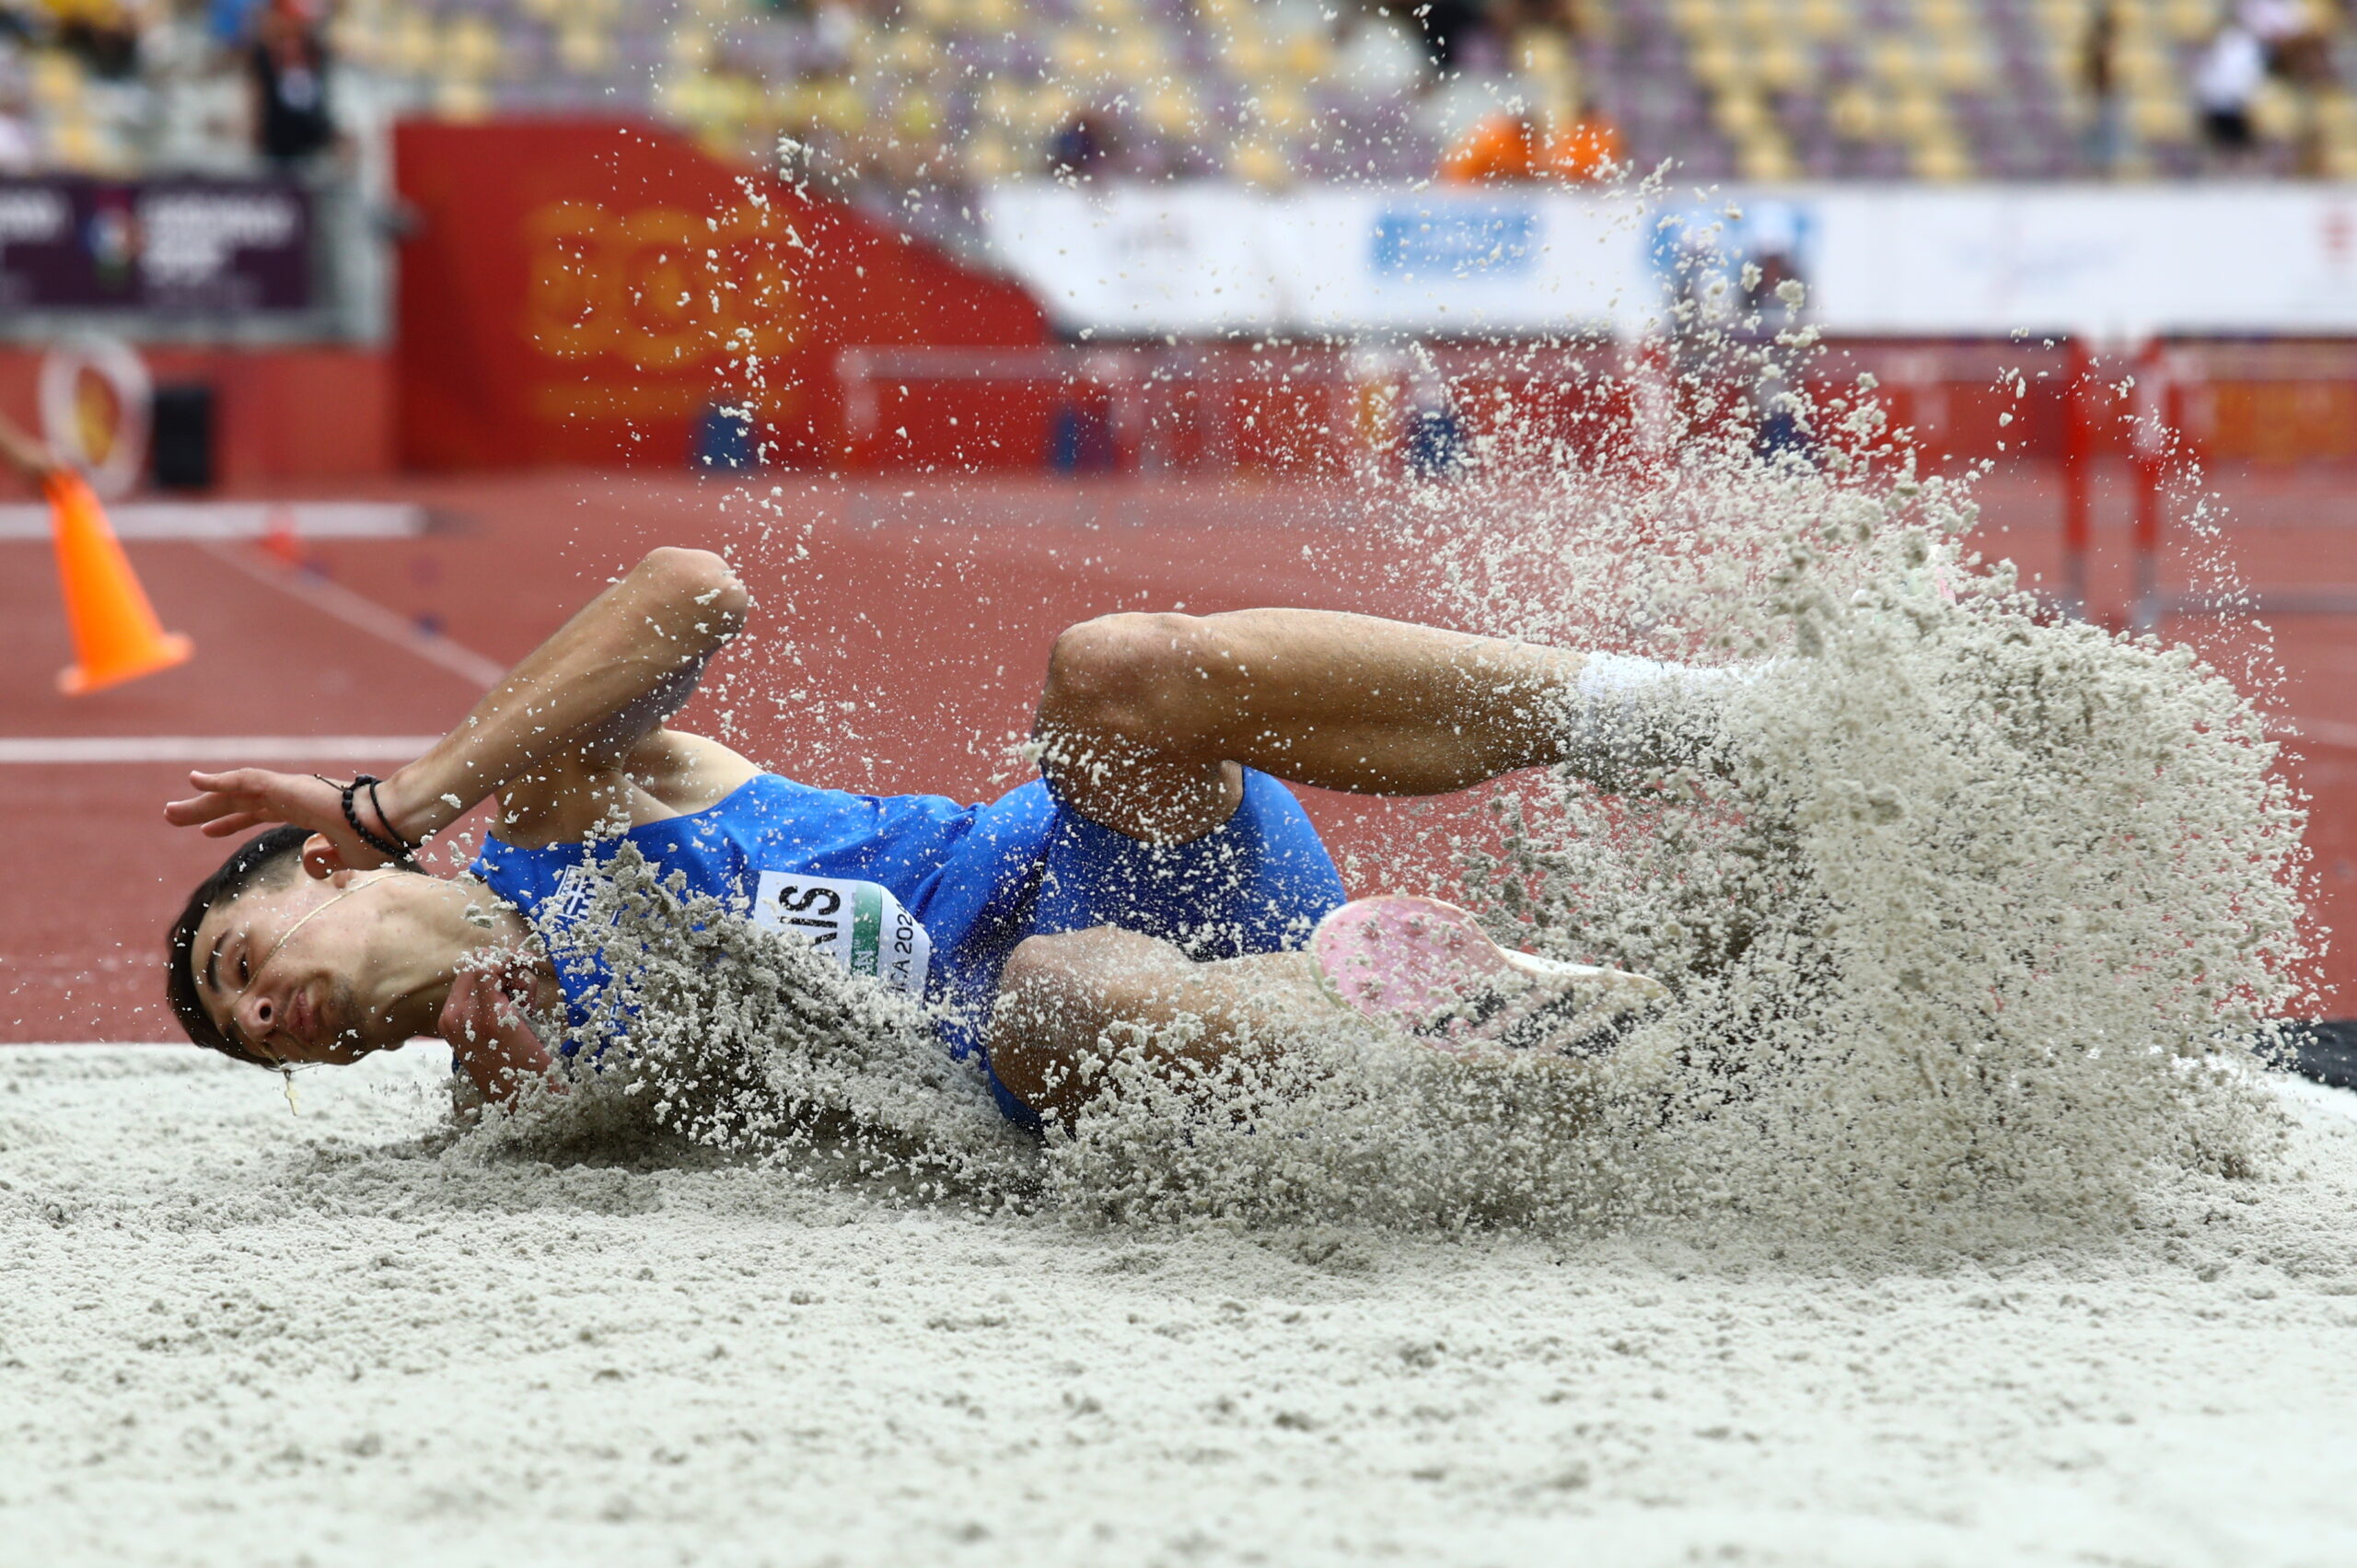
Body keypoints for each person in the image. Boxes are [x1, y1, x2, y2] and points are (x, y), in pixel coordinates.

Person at [162, 548, 1721, 1127]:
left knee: (1113, 668)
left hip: (1121, 858)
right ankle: (1501, 1023)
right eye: (252, 1040)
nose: (262, 1017)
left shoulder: (557, 821)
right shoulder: (505, 1107)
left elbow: (696, 588)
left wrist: (401, 797)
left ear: (326, 876)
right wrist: (554, 1108)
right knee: (1056, 998)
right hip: (1092, 1040)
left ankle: (1685, 716)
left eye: (241, 966)